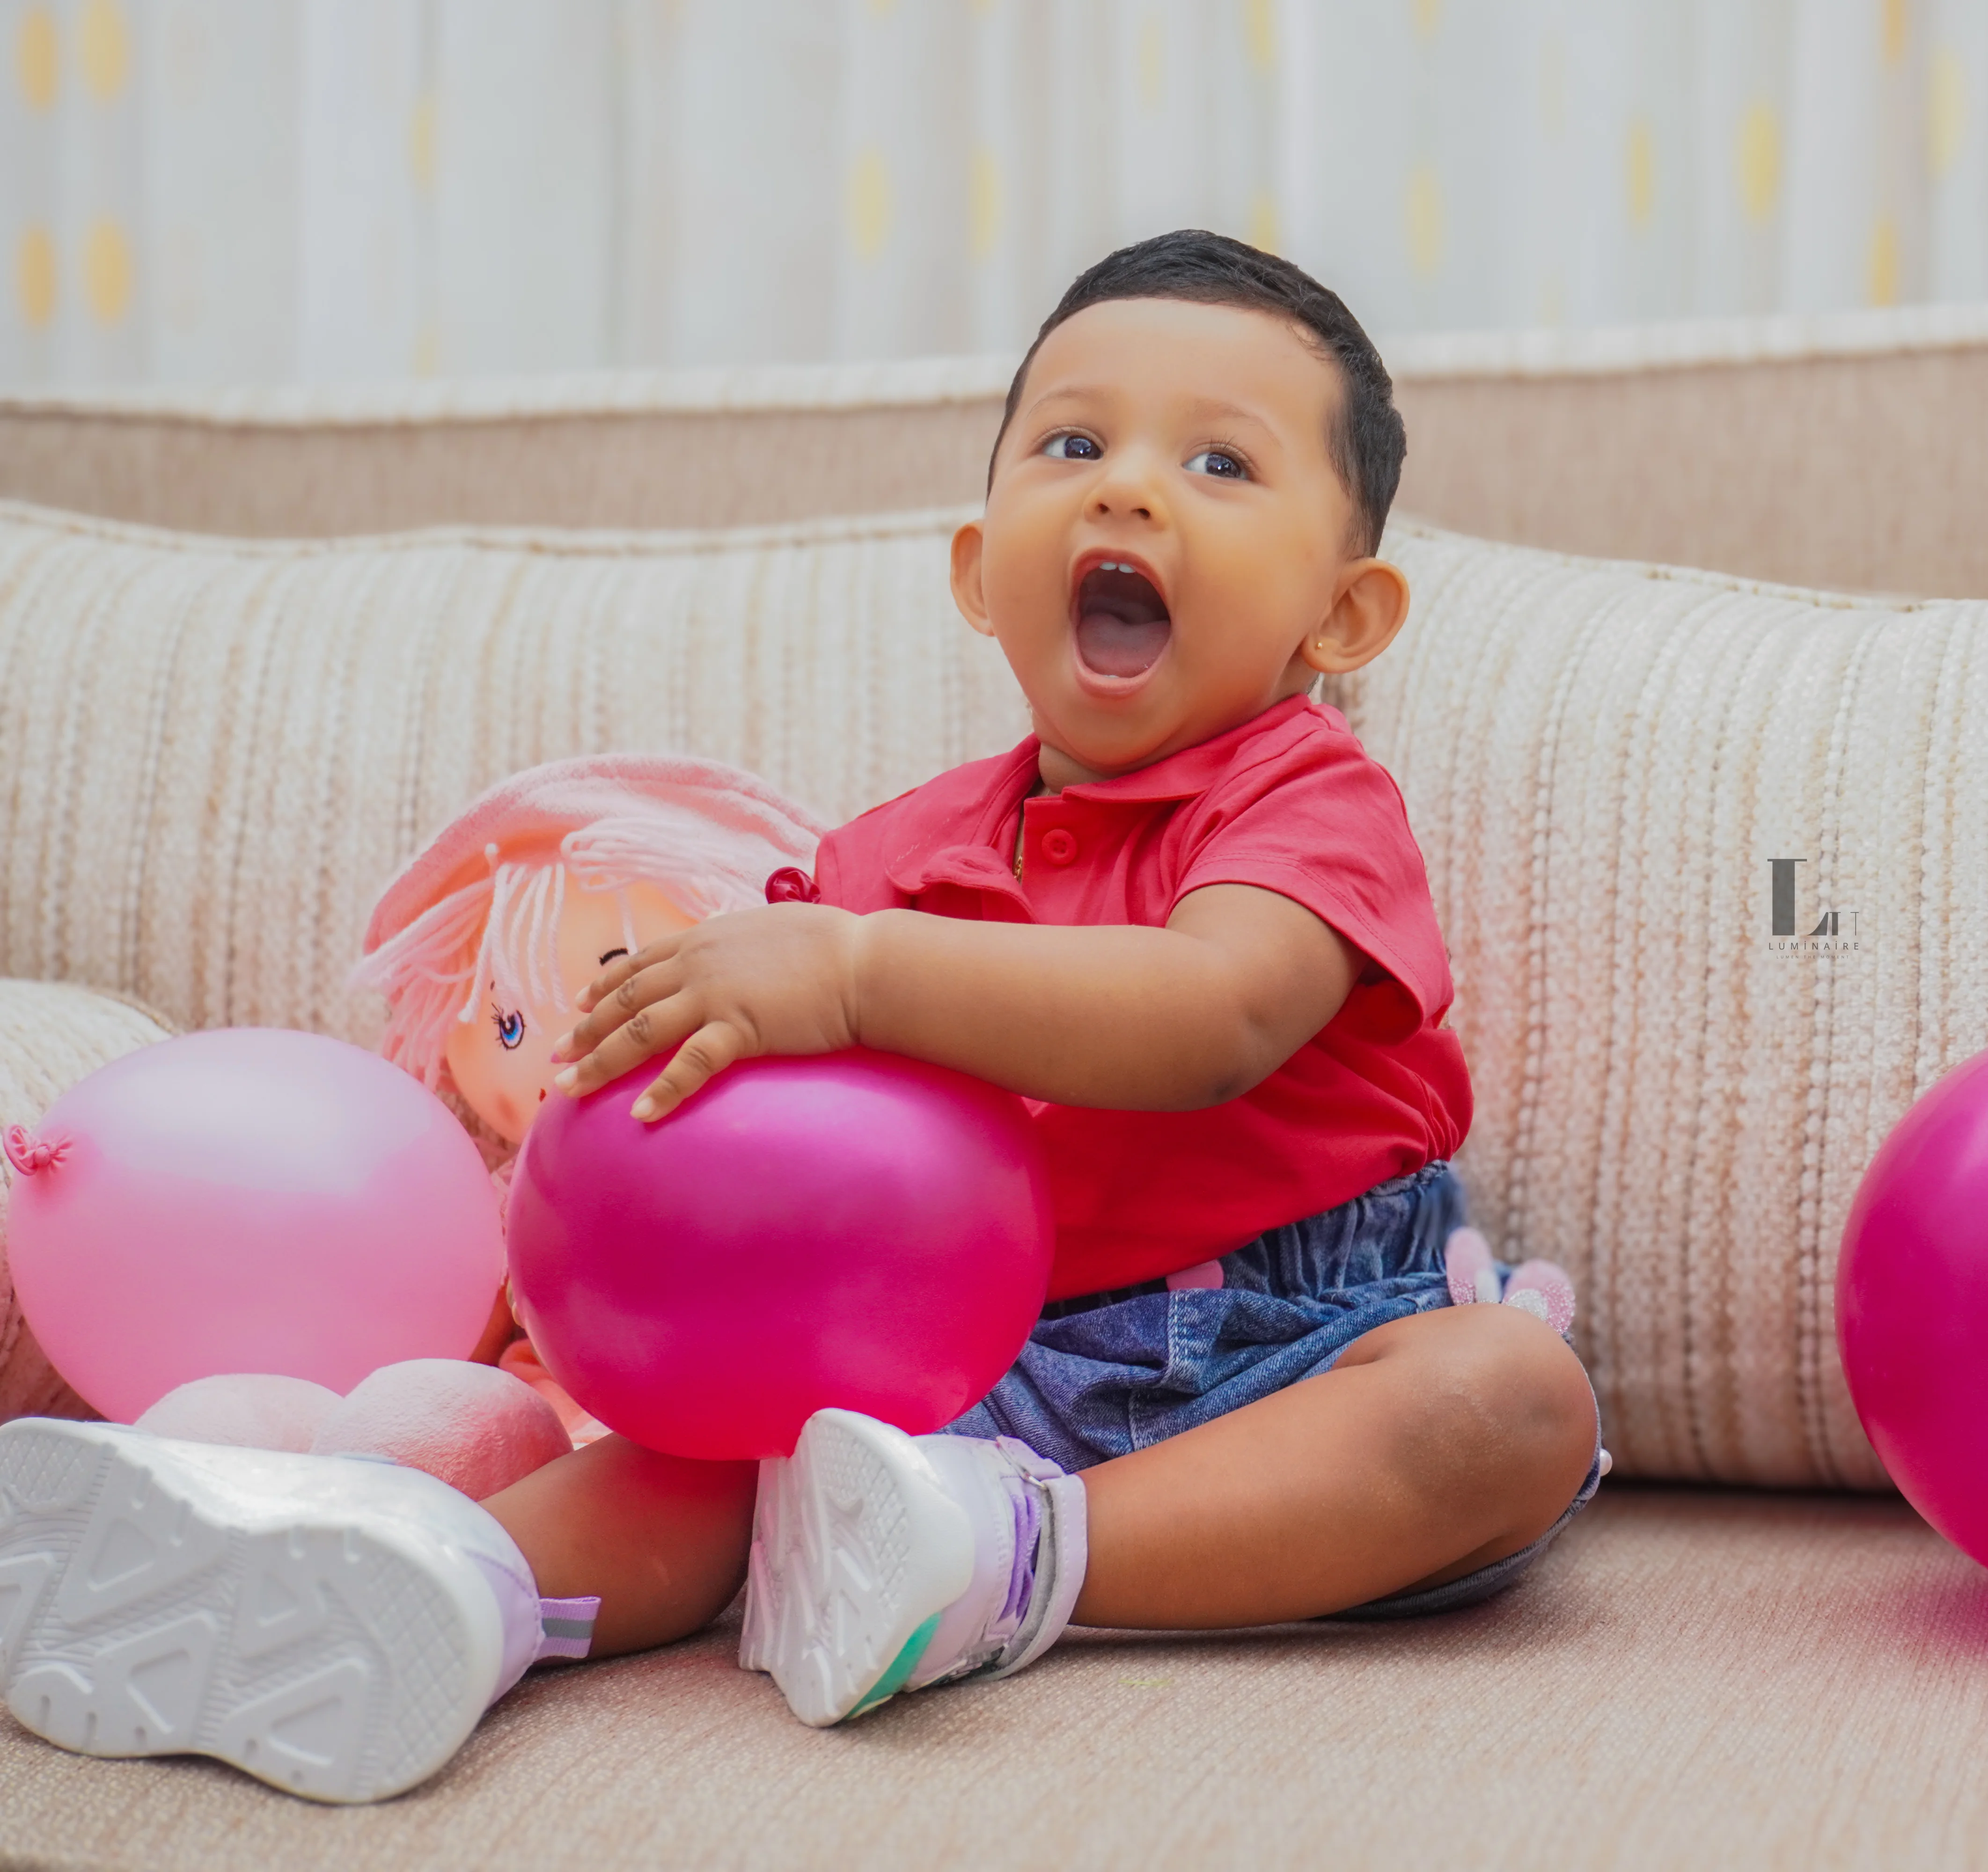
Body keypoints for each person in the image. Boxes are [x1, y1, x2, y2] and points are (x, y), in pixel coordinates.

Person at [0, 232, 1598, 1803]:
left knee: (1507, 1404)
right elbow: (766, 1136)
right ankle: (404, 1592)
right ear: (981, 569)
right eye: (1073, 441)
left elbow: (1216, 1015)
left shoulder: (1303, 796)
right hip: (950, 1355)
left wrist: (851, 978)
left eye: (1221, 465)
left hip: (1292, 1350)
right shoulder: (885, 859)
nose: (1128, 486)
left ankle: (1016, 1558)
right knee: (699, 1466)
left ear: (1346, 616)